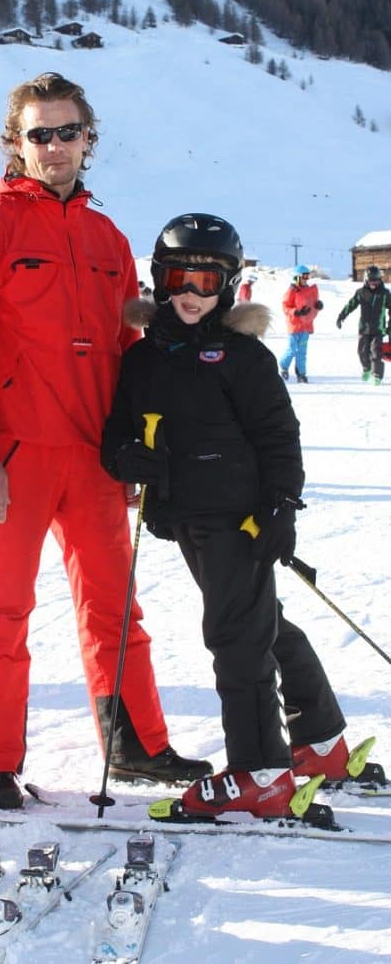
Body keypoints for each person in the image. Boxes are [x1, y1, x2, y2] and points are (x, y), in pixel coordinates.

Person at [0, 71, 211, 810]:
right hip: (16, 455)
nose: (54, 147)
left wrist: (134, 445)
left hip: (94, 457)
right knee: (2, 609)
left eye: (67, 132)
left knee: (115, 608)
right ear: (15, 142)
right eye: (39, 133)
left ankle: (137, 746)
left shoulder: (106, 237)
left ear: (89, 138)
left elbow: (132, 351)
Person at [101, 213, 369, 820]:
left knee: (236, 636)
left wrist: (282, 504)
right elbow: (117, 429)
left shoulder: (241, 356)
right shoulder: (145, 358)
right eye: (177, 278)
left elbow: (279, 434)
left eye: (206, 280)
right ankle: (320, 739)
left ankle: (260, 771)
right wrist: (125, 455)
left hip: (240, 519)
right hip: (186, 517)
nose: (191, 294)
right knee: (257, 620)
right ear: (158, 279)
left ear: (229, 284)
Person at [336, 264, 388, 385]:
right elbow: (351, 305)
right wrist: (341, 316)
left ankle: (376, 376)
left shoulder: (385, 294)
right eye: (371, 281)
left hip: (378, 329)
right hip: (364, 328)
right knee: (362, 351)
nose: (374, 284)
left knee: (376, 352)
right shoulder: (361, 293)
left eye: (377, 281)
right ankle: (367, 369)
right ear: (366, 280)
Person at [279, 263, 323, 383]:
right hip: (294, 325)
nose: (306, 279)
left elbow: (312, 305)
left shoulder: (309, 290)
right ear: (297, 277)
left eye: (307, 276)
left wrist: (318, 306)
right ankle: (283, 366)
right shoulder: (292, 291)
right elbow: (285, 307)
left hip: (306, 326)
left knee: (302, 351)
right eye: (304, 277)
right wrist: (296, 312)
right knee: (292, 349)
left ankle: (301, 373)